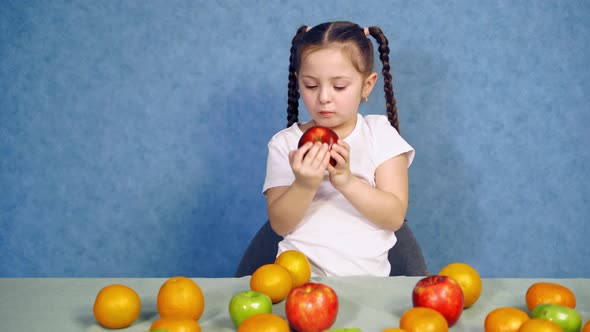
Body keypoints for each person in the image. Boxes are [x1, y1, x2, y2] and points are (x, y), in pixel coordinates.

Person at [263, 21, 415, 277]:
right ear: (298, 82)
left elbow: (394, 217)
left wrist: (346, 181)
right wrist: (304, 184)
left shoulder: (380, 135)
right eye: (311, 85)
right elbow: (280, 224)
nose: (324, 97)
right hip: (298, 281)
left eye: (339, 86)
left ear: (367, 86)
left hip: (366, 285)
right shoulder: (285, 143)